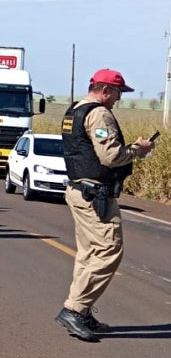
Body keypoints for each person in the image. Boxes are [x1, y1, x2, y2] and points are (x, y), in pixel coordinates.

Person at [54, 68, 154, 342]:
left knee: (89, 254)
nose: (118, 99)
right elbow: (110, 156)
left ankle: (82, 312)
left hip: (80, 190)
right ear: (105, 90)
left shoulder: (75, 111)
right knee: (109, 251)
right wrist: (138, 149)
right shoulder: (98, 113)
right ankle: (74, 309)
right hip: (95, 195)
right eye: (118, 93)